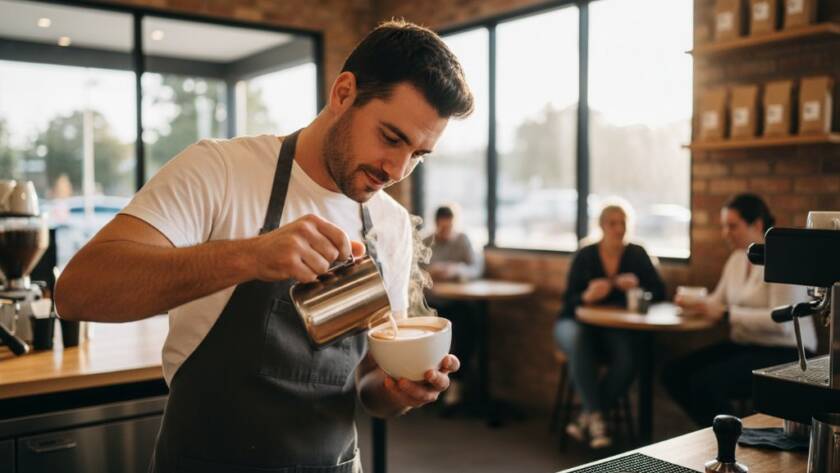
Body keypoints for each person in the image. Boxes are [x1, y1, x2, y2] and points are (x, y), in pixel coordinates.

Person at [54, 21, 473, 473]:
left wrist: (396, 394)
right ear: (344, 93)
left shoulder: (388, 224)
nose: (397, 168)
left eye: (418, 154)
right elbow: (78, 291)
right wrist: (250, 256)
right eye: (391, 138)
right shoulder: (220, 170)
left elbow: (369, 379)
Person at [662, 193, 817, 427]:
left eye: (732, 226)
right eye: (724, 226)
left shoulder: (784, 257)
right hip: (746, 345)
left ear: (756, 224)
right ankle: (720, 432)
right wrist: (693, 304)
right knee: (673, 372)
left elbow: (785, 322)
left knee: (704, 384)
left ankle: (736, 438)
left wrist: (727, 314)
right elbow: (718, 300)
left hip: (788, 352)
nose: (725, 233)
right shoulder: (736, 259)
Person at [554, 204, 665, 449]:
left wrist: (638, 288)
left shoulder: (636, 253)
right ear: (602, 225)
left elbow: (659, 292)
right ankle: (596, 417)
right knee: (579, 341)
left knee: (628, 358)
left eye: (623, 222)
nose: (618, 228)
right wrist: (586, 296)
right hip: (574, 320)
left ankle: (591, 415)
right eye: (612, 223)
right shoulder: (586, 255)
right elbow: (568, 300)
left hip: (612, 326)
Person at [423, 204, 483, 406]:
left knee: (470, 326)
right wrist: (432, 271)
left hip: (457, 302)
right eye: (442, 227)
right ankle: (430, 381)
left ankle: (456, 381)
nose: (445, 231)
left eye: (449, 227)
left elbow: (476, 269)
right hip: (432, 302)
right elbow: (414, 271)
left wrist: (456, 270)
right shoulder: (427, 241)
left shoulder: (463, 240)